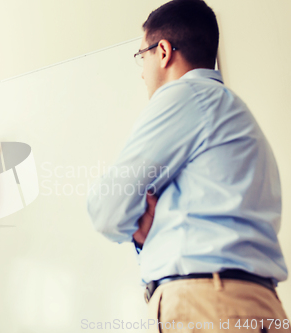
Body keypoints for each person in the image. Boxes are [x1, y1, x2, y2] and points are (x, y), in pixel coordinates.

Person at [86, 0, 290, 332]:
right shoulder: (233, 112)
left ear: (163, 51)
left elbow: (106, 209)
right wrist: (146, 235)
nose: (141, 72)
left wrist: (137, 229)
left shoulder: (185, 95)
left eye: (142, 56)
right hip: (256, 304)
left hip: (208, 304)